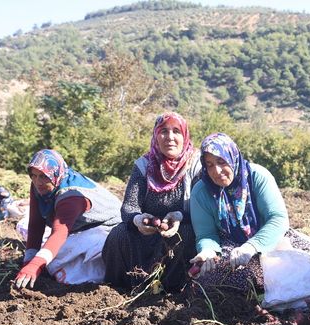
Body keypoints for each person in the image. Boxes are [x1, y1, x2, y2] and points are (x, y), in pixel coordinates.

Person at [102, 112, 201, 293]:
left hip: (181, 227)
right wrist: (139, 220)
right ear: (156, 135)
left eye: (176, 131)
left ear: (184, 135)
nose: (170, 137)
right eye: (163, 131)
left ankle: (173, 290)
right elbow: (129, 207)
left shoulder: (196, 165)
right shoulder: (143, 165)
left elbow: (202, 210)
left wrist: (179, 217)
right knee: (118, 233)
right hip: (147, 232)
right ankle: (118, 289)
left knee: (185, 234)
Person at [188, 132, 292, 292]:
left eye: (221, 161)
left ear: (232, 157)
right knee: (216, 279)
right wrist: (208, 250)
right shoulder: (201, 191)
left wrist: (251, 247)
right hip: (230, 245)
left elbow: (278, 219)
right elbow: (206, 234)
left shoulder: (257, 176)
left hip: (269, 238)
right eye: (209, 165)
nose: (216, 170)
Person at [14, 149, 122, 289]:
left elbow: (60, 232)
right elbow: (36, 224)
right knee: (51, 262)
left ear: (55, 174)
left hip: (109, 227)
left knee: (70, 267)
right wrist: (28, 262)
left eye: (43, 176)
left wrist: (35, 265)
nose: (37, 181)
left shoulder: (71, 196)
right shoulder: (39, 186)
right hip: (80, 227)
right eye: (33, 176)